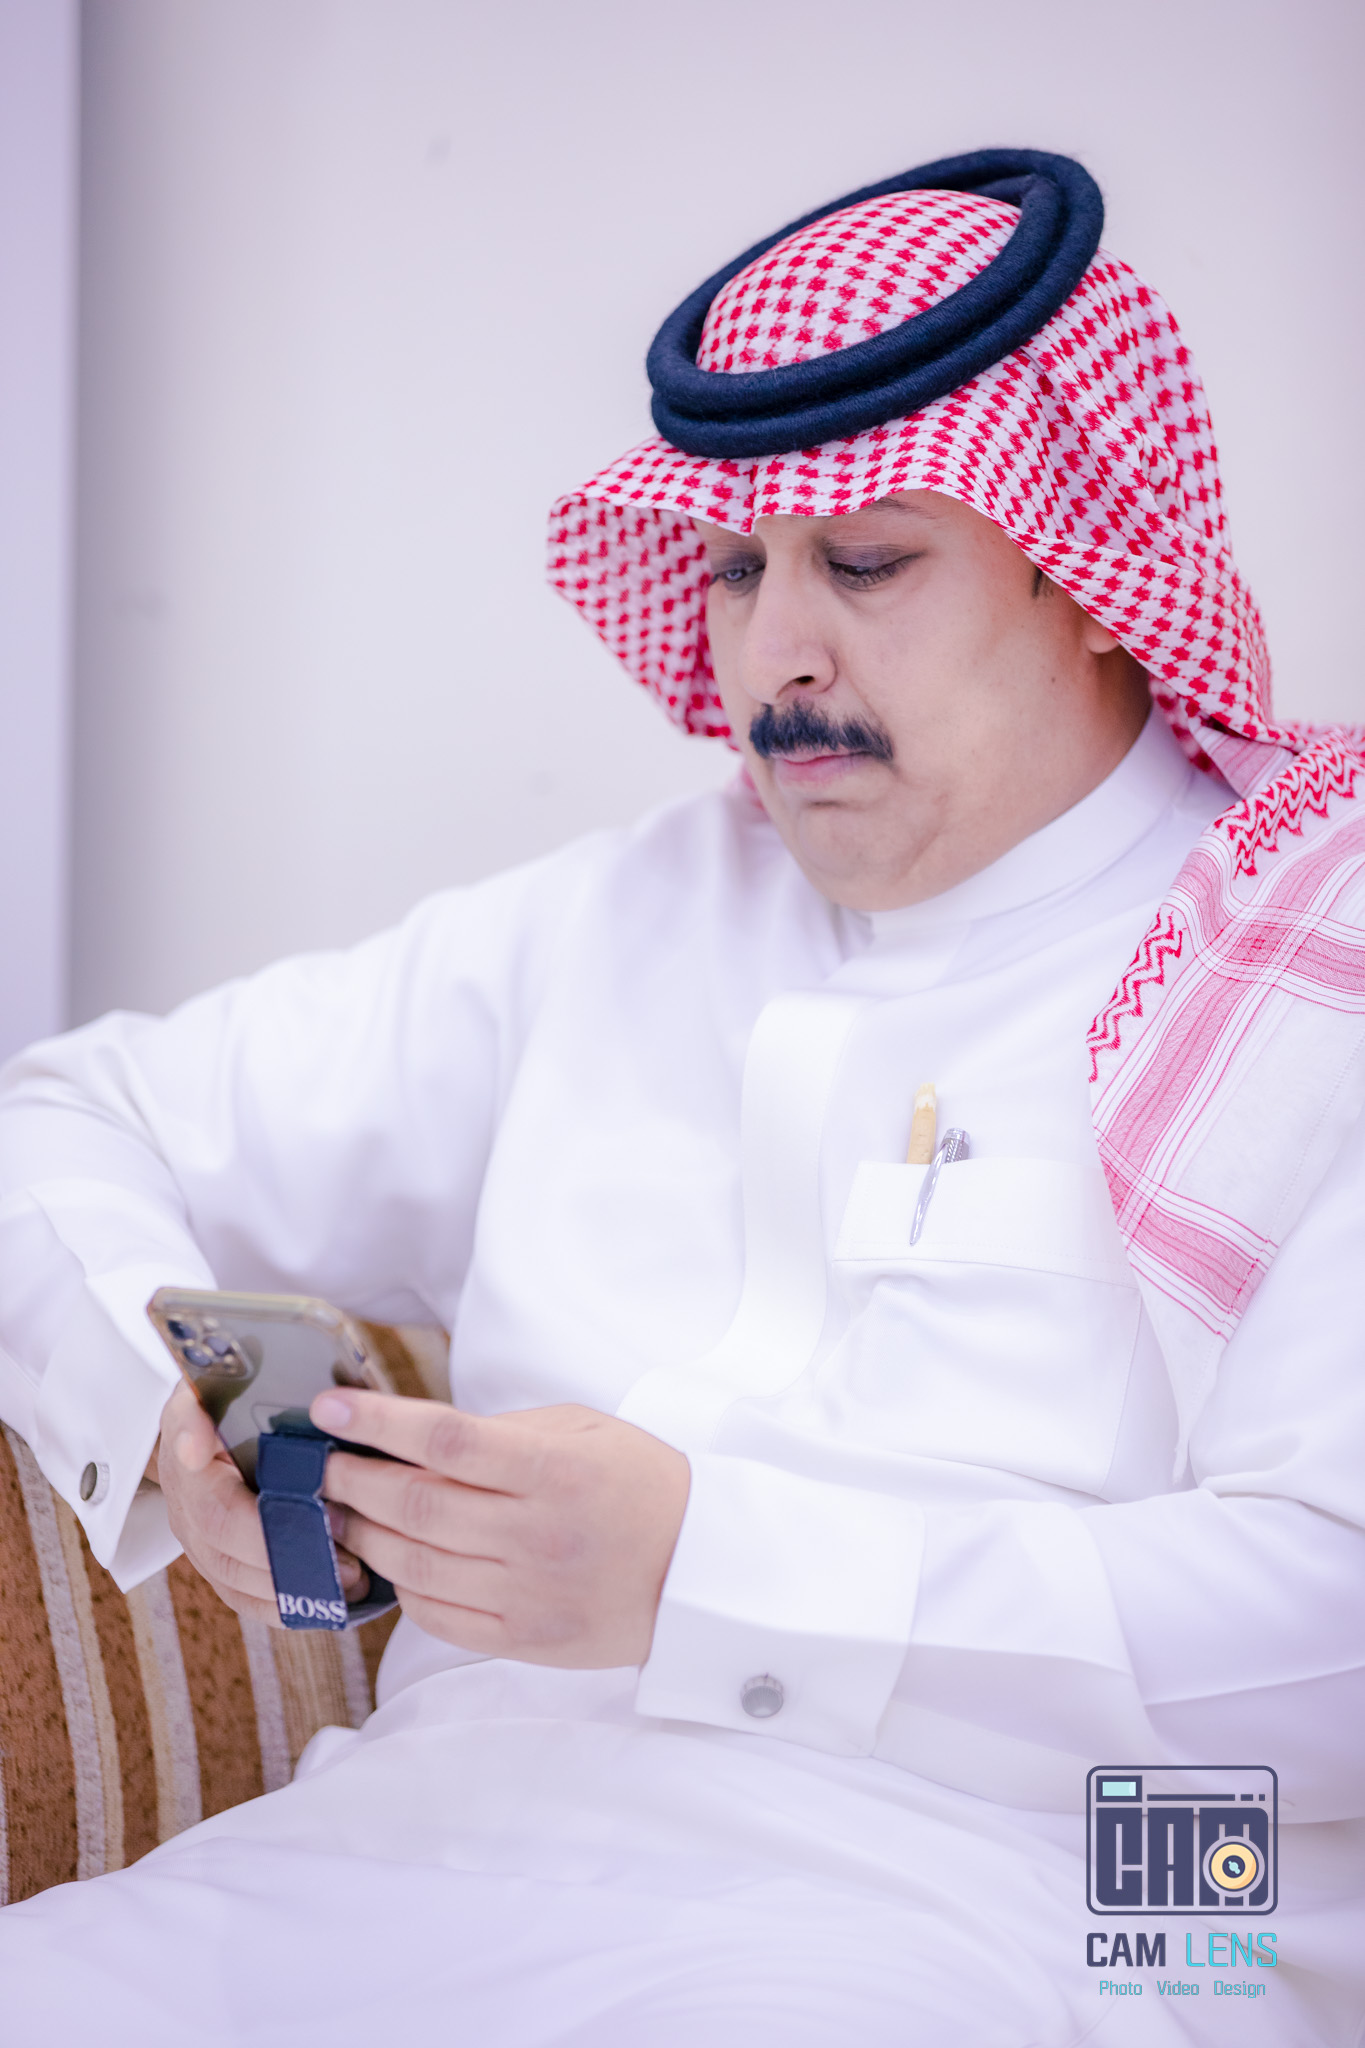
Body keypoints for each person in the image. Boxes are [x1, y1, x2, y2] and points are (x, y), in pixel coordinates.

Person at [1, 148, 1362, 2047]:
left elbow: (1332, 1633)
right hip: (415, 1851)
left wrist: (705, 1573)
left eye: (864, 563)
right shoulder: (627, 913)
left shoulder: (1312, 948)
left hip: (1017, 1911)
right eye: (735, 566)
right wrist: (156, 1410)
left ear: (1086, 576)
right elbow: (62, 1122)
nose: (772, 655)